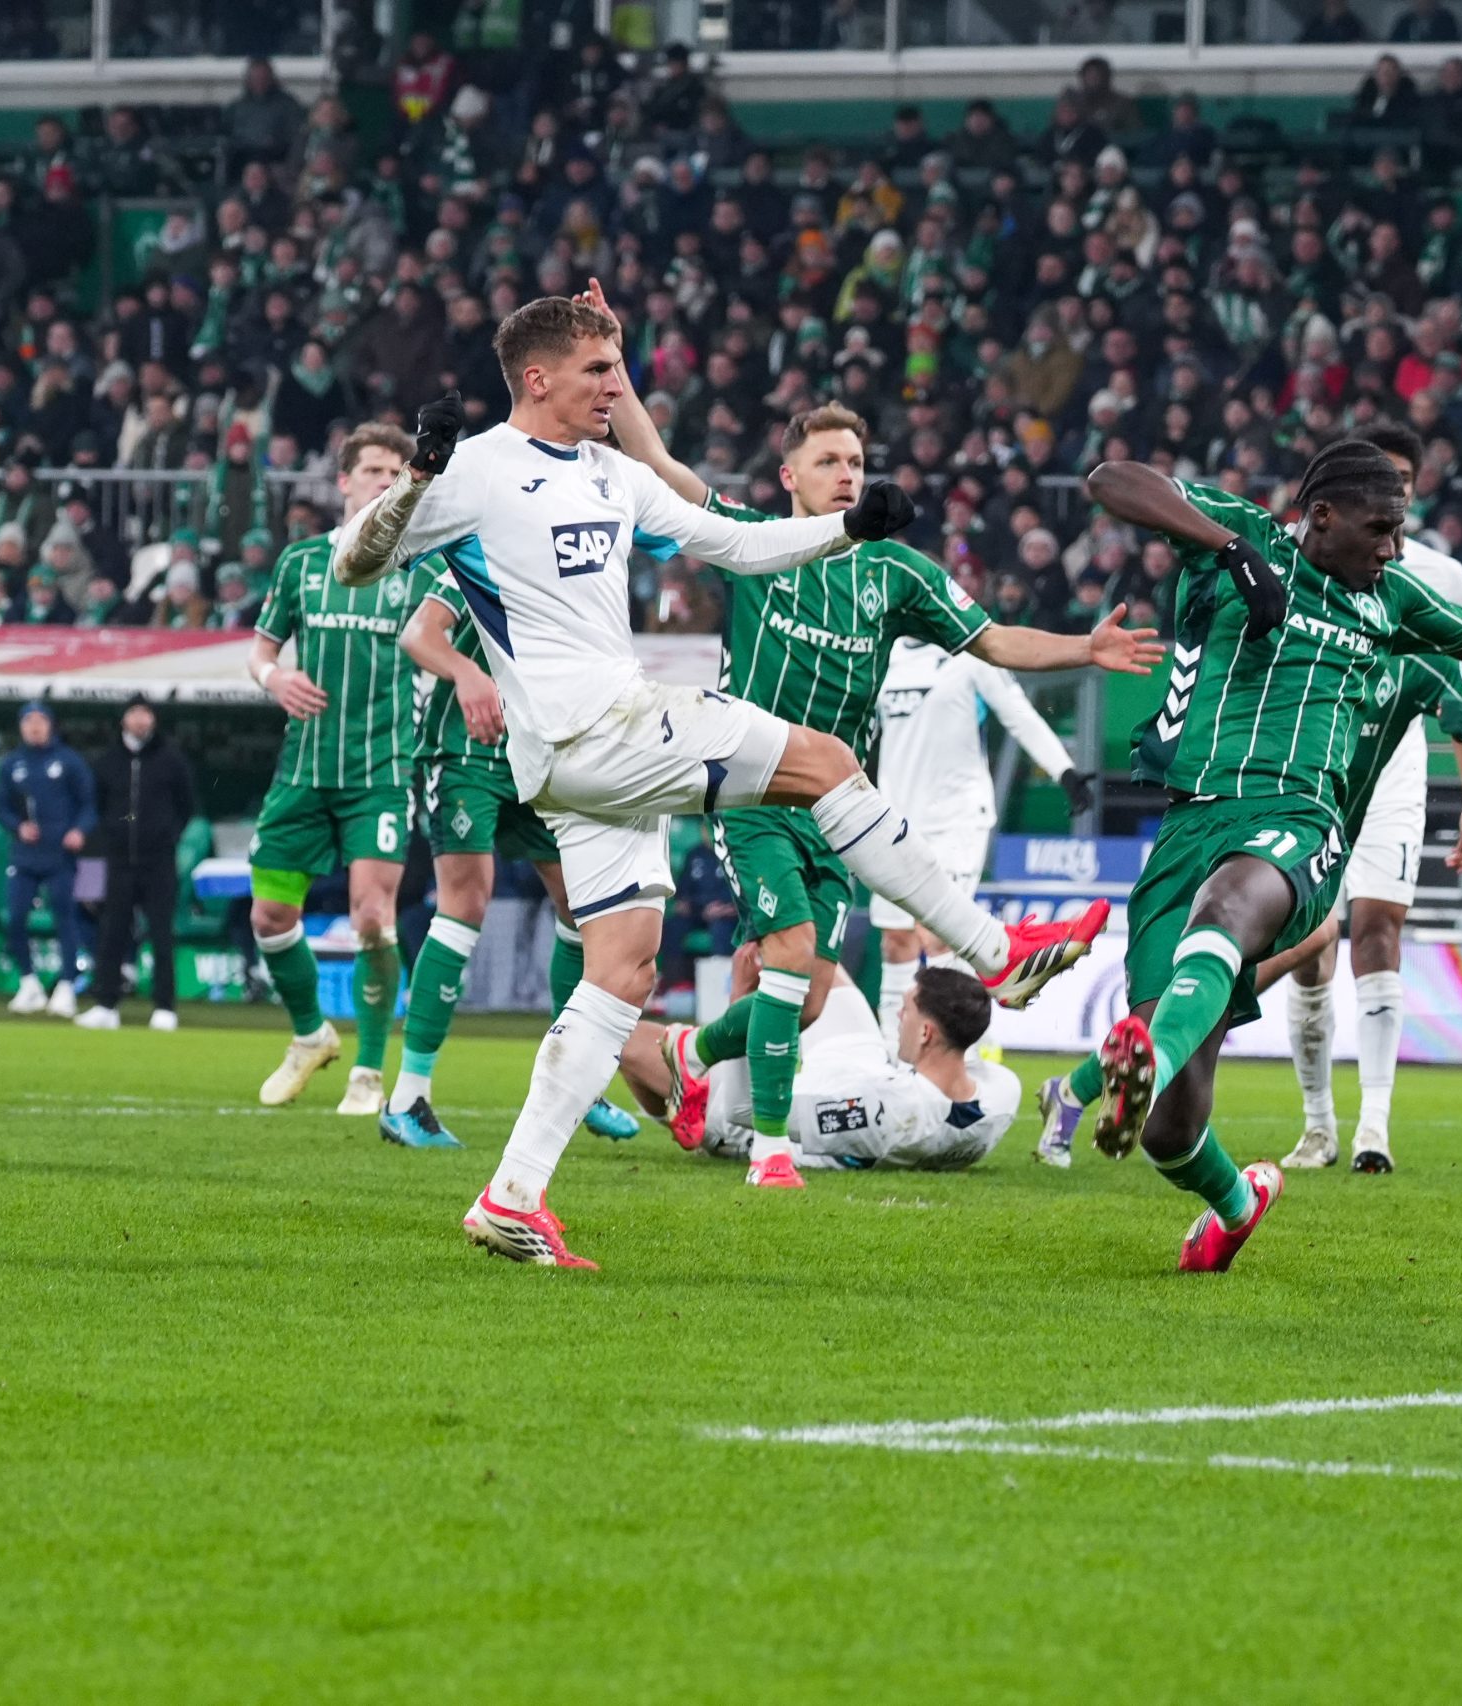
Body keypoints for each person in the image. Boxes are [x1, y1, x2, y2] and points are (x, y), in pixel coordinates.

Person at [330, 295, 1114, 1267]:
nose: (615, 386)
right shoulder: (475, 468)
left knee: (624, 966)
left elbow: (734, 543)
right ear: (537, 378)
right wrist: (416, 477)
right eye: (597, 370)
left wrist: (845, 530)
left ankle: (513, 1193)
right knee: (827, 762)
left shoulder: (612, 473)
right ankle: (996, 953)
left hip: (582, 764)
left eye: (616, 366)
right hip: (597, 726)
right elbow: (352, 562)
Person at [1035, 446, 1462, 1273]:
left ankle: (1146, 1058)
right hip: (1189, 823)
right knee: (1170, 1131)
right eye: (1380, 528)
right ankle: (1236, 1199)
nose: (1393, 547)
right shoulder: (1242, 534)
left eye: (1399, 530)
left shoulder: (1393, 600)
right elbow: (1112, 480)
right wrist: (1232, 553)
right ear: (1322, 516)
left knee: (1227, 909)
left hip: (1299, 819)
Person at [598, 371, 1138, 1188]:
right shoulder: (752, 542)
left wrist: (1084, 649)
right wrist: (621, 377)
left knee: (806, 988)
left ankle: (687, 1052)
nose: (847, 474)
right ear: (790, 476)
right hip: (750, 791)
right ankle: (771, 1151)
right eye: (828, 461)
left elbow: (993, 640)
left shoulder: (895, 572)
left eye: (855, 461)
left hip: (835, 807)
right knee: (789, 952)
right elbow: (662, 466)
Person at [1282, 426, 1462, 1176]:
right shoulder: (1297, 555)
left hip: (1395, 767)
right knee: (1310, 946)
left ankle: (1373, 1127)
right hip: (1312, 764)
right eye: (1382, 478)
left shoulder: (1441, 574)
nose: (1394, 491)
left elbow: (1461, 684)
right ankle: (1318, 1125)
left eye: (1403, 479)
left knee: (1377, 928)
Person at [381, 562, 643, 1149]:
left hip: (538, 753)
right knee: (465, 903)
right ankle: (407, 1098)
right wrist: (467, 672)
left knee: (581, 907)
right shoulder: (486, 548)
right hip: (466, 751)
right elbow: (420, 634)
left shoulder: (573, 564)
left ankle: (577, 1083)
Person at [244, 425, 426, 1115]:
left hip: (380, 771)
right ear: (344, 481)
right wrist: (275, 680)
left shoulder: (418, 568)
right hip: (303, 769)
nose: (384, 481)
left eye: (396, 472)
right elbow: (261, 651)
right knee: (270, 916)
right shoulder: (301, 563)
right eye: (373, 469)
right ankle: (310, 1035)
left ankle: (369, 1073)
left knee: (373, 918)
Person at [869, 638, 1089, 1045]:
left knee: (939, 937)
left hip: (957, 819)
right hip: (894, 822)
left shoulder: (969, 651)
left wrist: (1064, 770)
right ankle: (893, 1054)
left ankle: (959, 1053)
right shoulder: (885, 653)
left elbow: (1017, 712)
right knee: (896, 940)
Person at [621, 953, 1021, 1173]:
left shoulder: (887, 1113)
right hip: (861, 1063)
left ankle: (675, 1108)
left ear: (926, 1034)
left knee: (621, 1035)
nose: (899, 1017)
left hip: (759, 1113)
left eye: (906, 1010)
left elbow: (745, 1111)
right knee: (803, 946)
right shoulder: (1001, 1091)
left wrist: (742, 1001)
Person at [73, 698, 196, 1031]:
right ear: (123, 720)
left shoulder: (171, 759)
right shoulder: (107, 761)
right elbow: (98, 807)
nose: (141, 720)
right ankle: (106, 1005)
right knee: (111, 933)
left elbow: (186, 805)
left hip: (159, 862)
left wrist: (167, 836)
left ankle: (165, 1007)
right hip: (119, 862)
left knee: (161, 934)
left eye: (146, 714)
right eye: (134, 714)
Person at [0, 701, 96, 1016]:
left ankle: (66, 985)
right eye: (28, 721)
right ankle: (29, 983)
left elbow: (89, 804)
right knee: (15, 917)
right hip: (25, 856)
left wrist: (79, 830)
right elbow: (0, 806)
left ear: (51, 725)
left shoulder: (69, 761)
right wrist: (18, 826)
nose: (34, 727)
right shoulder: (12, 764)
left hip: (61, 855)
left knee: (66, 917)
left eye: (40, 720)